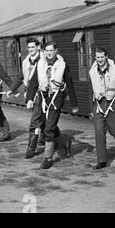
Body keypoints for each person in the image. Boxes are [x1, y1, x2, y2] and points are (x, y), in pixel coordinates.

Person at [26, 41, 79, 169]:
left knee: (49, 128)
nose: (49, 53)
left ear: (56, 51)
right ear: (43, 52)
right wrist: (29, 98)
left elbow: (70, 84)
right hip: (44, 97)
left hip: (57, 97)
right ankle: (65, 142)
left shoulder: (63, 65)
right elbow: (33, 82)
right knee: (49, 125)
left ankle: (48, 158)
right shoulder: (40, 64)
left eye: (51, 50)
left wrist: (74, 104)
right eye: (47, 51)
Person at [89, 47, 115, 170]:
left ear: (106, 56)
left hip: (113, 102)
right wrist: (90, 109)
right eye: (97, 57)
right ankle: (101, 160)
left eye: (102, 57)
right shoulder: (92, 71)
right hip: (98, 103)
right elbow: (89, 90)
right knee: (99, 132)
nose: (100, 60)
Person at [7, 37, 46, 159]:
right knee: (43, 121)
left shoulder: (44, 60)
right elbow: (20, 77)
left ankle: (31, 149)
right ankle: (63, 141)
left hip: (42, 94)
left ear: (38, 47)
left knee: (34, 121)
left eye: (33, 47)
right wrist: (12, 89)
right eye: (28, 47)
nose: (30, 50)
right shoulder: (25, 61)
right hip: (30, 94)